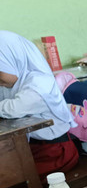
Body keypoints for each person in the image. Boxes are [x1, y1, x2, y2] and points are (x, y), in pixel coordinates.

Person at [0, 30, 79, 178]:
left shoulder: (39, 83)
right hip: (27, 149)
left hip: (54, 152)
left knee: (13, 183)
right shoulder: (11, 81)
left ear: (13, 60)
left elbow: (14, 108)